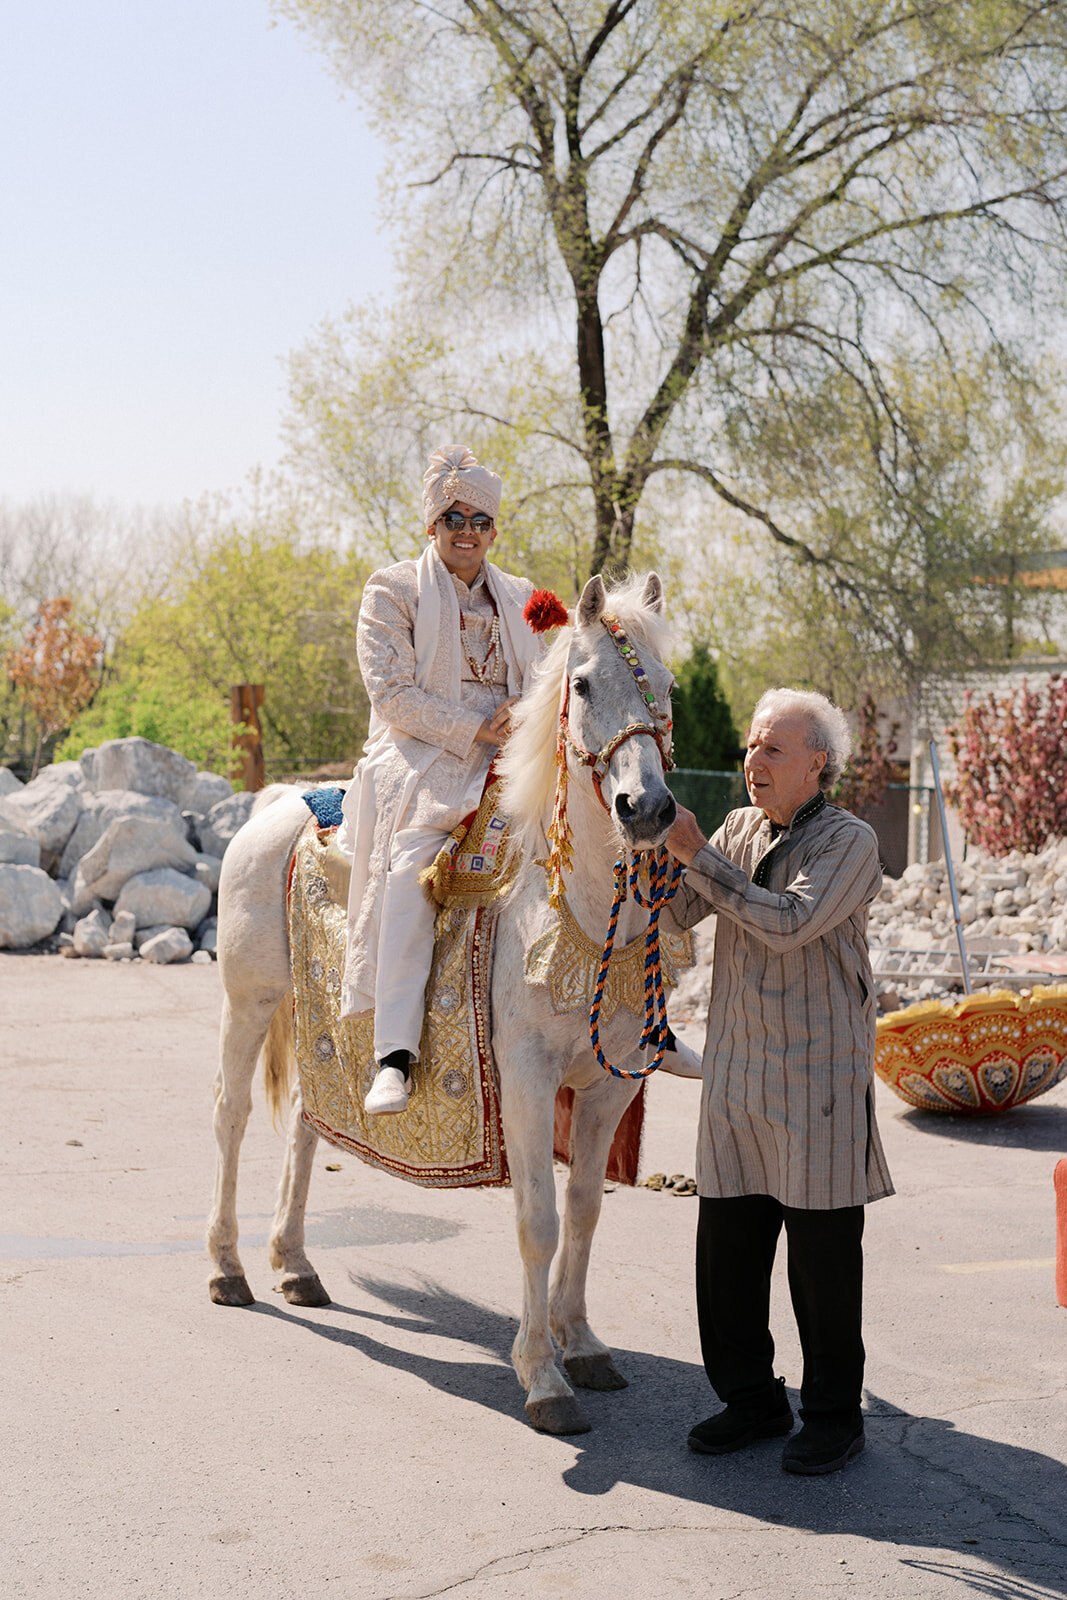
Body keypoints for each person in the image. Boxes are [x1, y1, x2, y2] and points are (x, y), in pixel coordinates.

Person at [665, 687, 894, 1476]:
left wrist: (697, 857)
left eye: (772, 750)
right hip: (735, 1067)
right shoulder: (734, 826)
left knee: (821, 1259)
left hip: (816, 1074)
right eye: (750, 747)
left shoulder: (849, 840)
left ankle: (833, 1416)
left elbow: (789, 922)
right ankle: (751, 1400)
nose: (751, 763)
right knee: (726, 1249)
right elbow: (676, 915)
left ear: (816, 764)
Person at [337, 445, 541, 1115]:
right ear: (431, 525)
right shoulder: (390, 590)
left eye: (479, 519)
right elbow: (392, 695)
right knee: (410, 868)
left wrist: (531, 711)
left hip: (512, 757)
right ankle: (393, 1054)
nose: (466, 531)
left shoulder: (525, 598)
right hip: (420, 756)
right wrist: (477, 728)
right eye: (452, 517)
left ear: (494, 529)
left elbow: (561, 670)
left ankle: (638, 1021)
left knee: (602, 835)